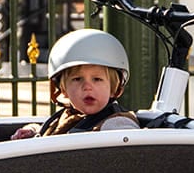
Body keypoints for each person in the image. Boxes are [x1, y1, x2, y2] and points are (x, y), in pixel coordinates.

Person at [10, 29, 140, 138]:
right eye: (77, 79)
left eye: (97, 79)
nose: (87, 87)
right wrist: (32, 131)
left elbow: (128, 146)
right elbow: (51, 130)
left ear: (114, 88)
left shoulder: (116, 124)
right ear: (63, 89)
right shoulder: (68, 116)